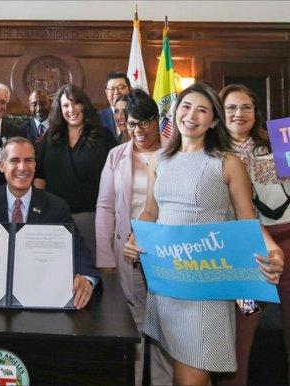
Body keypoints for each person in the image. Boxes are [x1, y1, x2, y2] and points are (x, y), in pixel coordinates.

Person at [124, 82, 284, 385]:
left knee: (190, 376)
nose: (192, 115)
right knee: (180, 374)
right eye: (186, 107)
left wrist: (273, 248)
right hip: (167, 282)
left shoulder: (227, 162)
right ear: (174, 112)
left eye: (202, 110)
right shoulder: (158, 160)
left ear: (213, 121)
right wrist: (136, 237)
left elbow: (246, 220)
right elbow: (150, 212)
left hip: (206, 285)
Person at [0, 137, 100, 309]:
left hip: (40, 300)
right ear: (1, 166)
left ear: (35, 166)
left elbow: (79, 250)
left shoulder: (56, 207)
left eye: (29, 160)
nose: (23, 167)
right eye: (14, 161)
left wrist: (87, 280)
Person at [95, 89, 172, 385]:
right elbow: (105, 206)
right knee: (134, 326)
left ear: (157, 121)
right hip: (126, 253)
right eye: (131, 125)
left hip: (164, 252)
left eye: (145, 123)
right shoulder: (116, 155)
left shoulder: (173, 153)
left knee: (165, 327)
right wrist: (105, 257)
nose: (138, 131)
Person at [218, 84, 290, 385]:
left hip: (286, 244)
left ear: (256, 111)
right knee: (242, 331)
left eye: (246, 107)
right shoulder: (213, 153)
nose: (239, 114)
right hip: (240, 255)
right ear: (220, 114)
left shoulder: (279, 142)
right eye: (231, 108)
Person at [34, 84, 116, 261]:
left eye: (76, 103)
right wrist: (38, 213)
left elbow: (116, 179)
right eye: (65, 105)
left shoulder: (103, 136)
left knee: (90, 275)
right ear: (59, 109)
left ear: (84, 105)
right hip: (54, 218)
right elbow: (39, 178)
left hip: (91, 219)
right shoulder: (50, 137)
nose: (71, 110)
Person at [98, 71, 131, 141]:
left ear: (129, 89)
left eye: (121, 88)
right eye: (112, 89)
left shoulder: (138, 114)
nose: (116, 92)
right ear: (107, 93)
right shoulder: (98, 118)